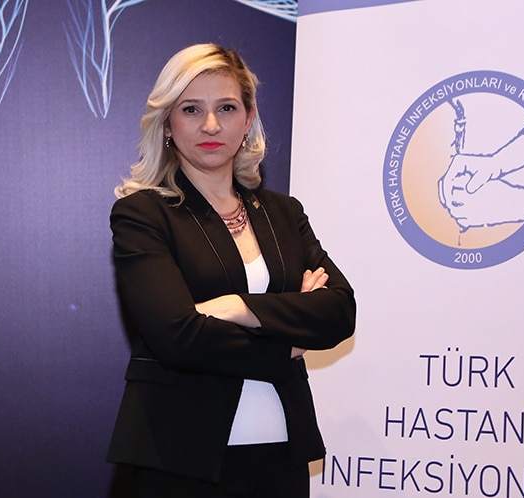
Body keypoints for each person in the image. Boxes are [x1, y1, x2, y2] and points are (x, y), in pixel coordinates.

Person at [106, 43, 356, 497]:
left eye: (226, 107)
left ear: (248, 118)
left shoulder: (283, 213)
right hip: (179, 457)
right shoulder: (143, 215)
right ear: (167, 123)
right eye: (191, 109)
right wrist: (289, 342)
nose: (211, 125)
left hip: (280, 454)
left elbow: (339, 311)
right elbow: (177, 337)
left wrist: (237, 307)